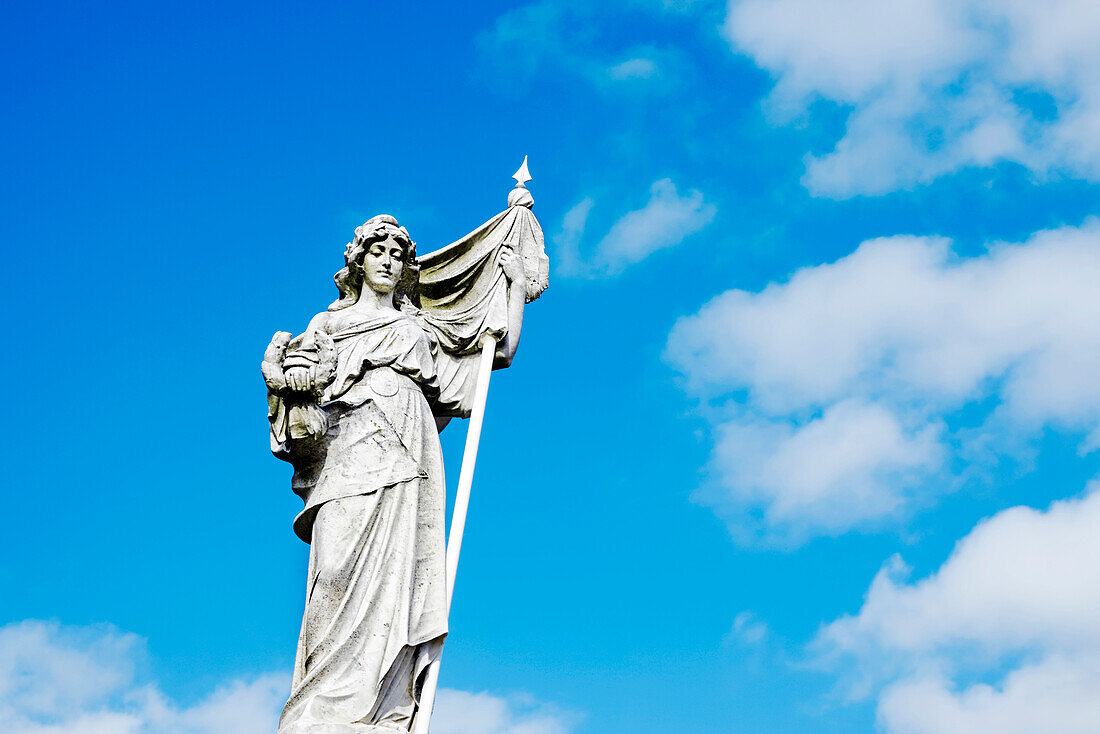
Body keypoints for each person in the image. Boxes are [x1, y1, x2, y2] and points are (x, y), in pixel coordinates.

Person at [261, 214, 525, 733]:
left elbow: (492, 358)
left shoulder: (419, 330)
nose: (388, 261)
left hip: (409, 452)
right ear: (358, 262)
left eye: (397, 255)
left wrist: (512, 287)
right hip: (347, 450)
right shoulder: (328, 326)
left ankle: (384, 708)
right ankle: (321, 711)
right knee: (334, 570)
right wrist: (283, 381)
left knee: (397, 581)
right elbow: (299, 399)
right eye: (378, 252)